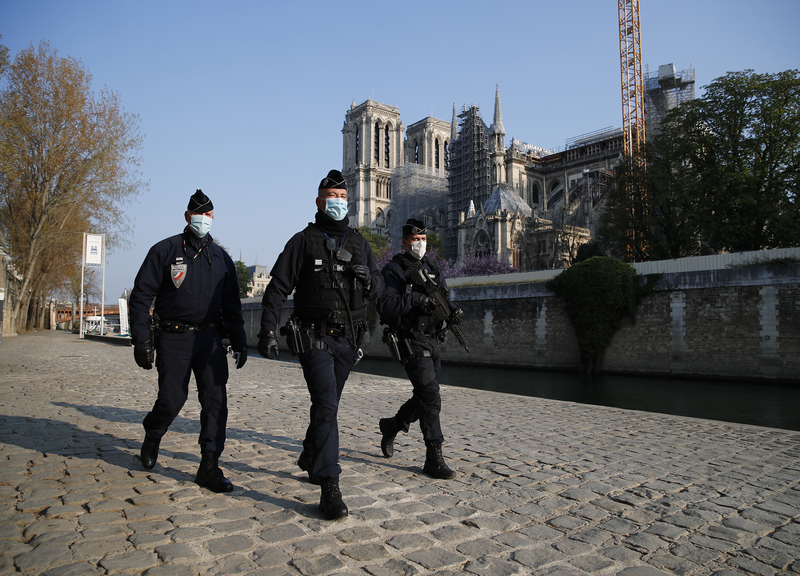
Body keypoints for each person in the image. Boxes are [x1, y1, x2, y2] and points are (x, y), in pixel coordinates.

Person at [258, 169, 383, 520]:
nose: (338, 202)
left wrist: (369, 281)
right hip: (313, 337)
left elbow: (380, 290)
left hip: (348, 341)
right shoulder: (302, 241)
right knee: (326, 403)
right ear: (319, 202)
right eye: (332, 197)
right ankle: (330, 485)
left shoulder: (359, 244)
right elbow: (277, 289)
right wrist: (267, 332)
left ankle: (311, 453)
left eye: (343, 197)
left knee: (328, 406)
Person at [129, 190, 248, 493]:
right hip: (174, 336)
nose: (203, 220)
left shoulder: (221, 259)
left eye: (208, 215)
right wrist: (141, 339)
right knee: (172, 399)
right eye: (199, 214)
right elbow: (141, 296)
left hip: (210, 339)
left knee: (215, 402)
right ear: (187, 216)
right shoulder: (165, 251)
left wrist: (240, 340)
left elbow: (232, 305)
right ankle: (154, 431)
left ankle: (209, 466)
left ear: (213, 218)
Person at [376, 218, 464, 479]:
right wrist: (415, 298)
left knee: (426, 395)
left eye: (423, 239)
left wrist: (453, 313)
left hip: (432, 340)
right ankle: (433, 456)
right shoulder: (394, 270)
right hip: (411, 340)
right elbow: (385, 306)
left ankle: (393, 425)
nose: (421, 244)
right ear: (405, 243)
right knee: (430, 395)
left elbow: (444, 298)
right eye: (416, 240)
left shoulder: (433, 269)